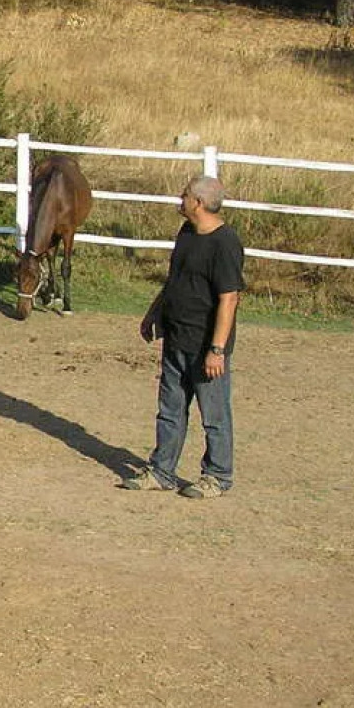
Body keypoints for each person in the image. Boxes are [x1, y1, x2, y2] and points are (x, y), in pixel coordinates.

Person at [123, 175, 245, 499]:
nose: (181, 197)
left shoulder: (225, 243)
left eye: (186, 194)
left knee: (214, 415)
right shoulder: (187, 233)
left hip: (205, 345)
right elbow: (175, 279)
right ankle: (162, 470)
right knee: (170, 409)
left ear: (199, 203)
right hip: (176, 339)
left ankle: (217, 475)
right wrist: (154, 313)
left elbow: (229, 298)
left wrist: (217, 349)